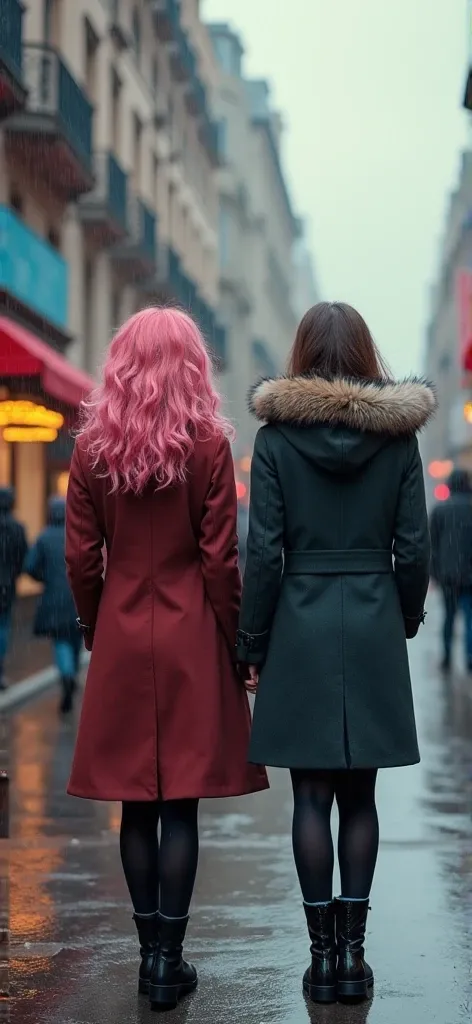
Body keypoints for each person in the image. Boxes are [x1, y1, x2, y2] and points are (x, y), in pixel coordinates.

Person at [65, 307, 268, 1011]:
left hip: (122, 630)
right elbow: (220, 558)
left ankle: (148, 950)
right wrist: (239, 639)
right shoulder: (209, 444)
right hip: (190, 634)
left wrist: (95, 624)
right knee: (179, 804)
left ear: (121, 362)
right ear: (193, 365)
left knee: (133, 804)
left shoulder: (93, 446)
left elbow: (80, 557)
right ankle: (168, 962)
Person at [236, 301, 434, 1004]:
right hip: (374, 614)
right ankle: (354, 955)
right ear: (365, 355)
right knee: (362, 797)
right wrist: (406, 614)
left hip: (301, 621)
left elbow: (263, 552)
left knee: (310, 795)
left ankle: (320, 959)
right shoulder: (399, 441)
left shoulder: (278, 441)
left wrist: (251, 642)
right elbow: (413, 547)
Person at [25, 497, 82, 714]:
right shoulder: (76, 536)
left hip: (53, 600)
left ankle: (66, 674)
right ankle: (73, 674)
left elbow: (29, 566)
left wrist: (45, 577)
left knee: (60, 640)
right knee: (77, 638)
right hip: (77, 597)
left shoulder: (44, 538)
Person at [430, 468, 472, 673]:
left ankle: (447, 656)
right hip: (470, 575)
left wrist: (434, 573)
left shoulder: (440, 510)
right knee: (470, 617)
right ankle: (470, 657)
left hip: (448, 575)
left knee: (449, 616)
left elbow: (431, 545)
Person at [0, 486, 28, 691]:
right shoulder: (17, 528)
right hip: (7, 585)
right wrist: (13, 575)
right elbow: (22, 558)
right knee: (3, 627)